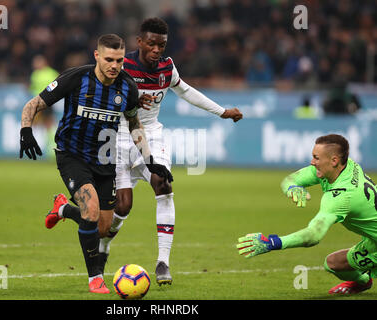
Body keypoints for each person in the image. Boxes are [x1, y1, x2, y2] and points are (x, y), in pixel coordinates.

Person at [19, 34, 172, 294]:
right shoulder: (76, 78)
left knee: (101, 227)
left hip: (105, 162)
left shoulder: (127, 87)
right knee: (90, 210)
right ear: (97, 56)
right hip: (72, 156)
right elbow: (35, 103)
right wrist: (25, 130)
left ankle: (63, 210)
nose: (115, 65)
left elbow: (134, 124)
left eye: (120, 60)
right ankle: (95, 278)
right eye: (109, 59)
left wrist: (150, 161)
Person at [102, 17, 243, 285]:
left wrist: (222, 111)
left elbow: (186, 91)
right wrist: (128, 100)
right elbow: (103, 98)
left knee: (163, 184)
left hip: (151, 135)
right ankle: (104, 246)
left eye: (162, 45)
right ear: (140, 42)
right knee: (122, 206)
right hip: (118, 138)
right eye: (152, 44)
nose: (157, 50)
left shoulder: (167, 68)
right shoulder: (121, 66)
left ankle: (163, 262)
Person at [237, 134, 377, 295]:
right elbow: (290, 179)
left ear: (334, 161)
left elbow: (313, 236)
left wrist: (272, 243)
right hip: (372, 240)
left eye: (316, 158)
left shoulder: (341, 196)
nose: (312, 162)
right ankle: (364, 281)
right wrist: (292, 188)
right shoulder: (347, 166)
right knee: (333, 263)